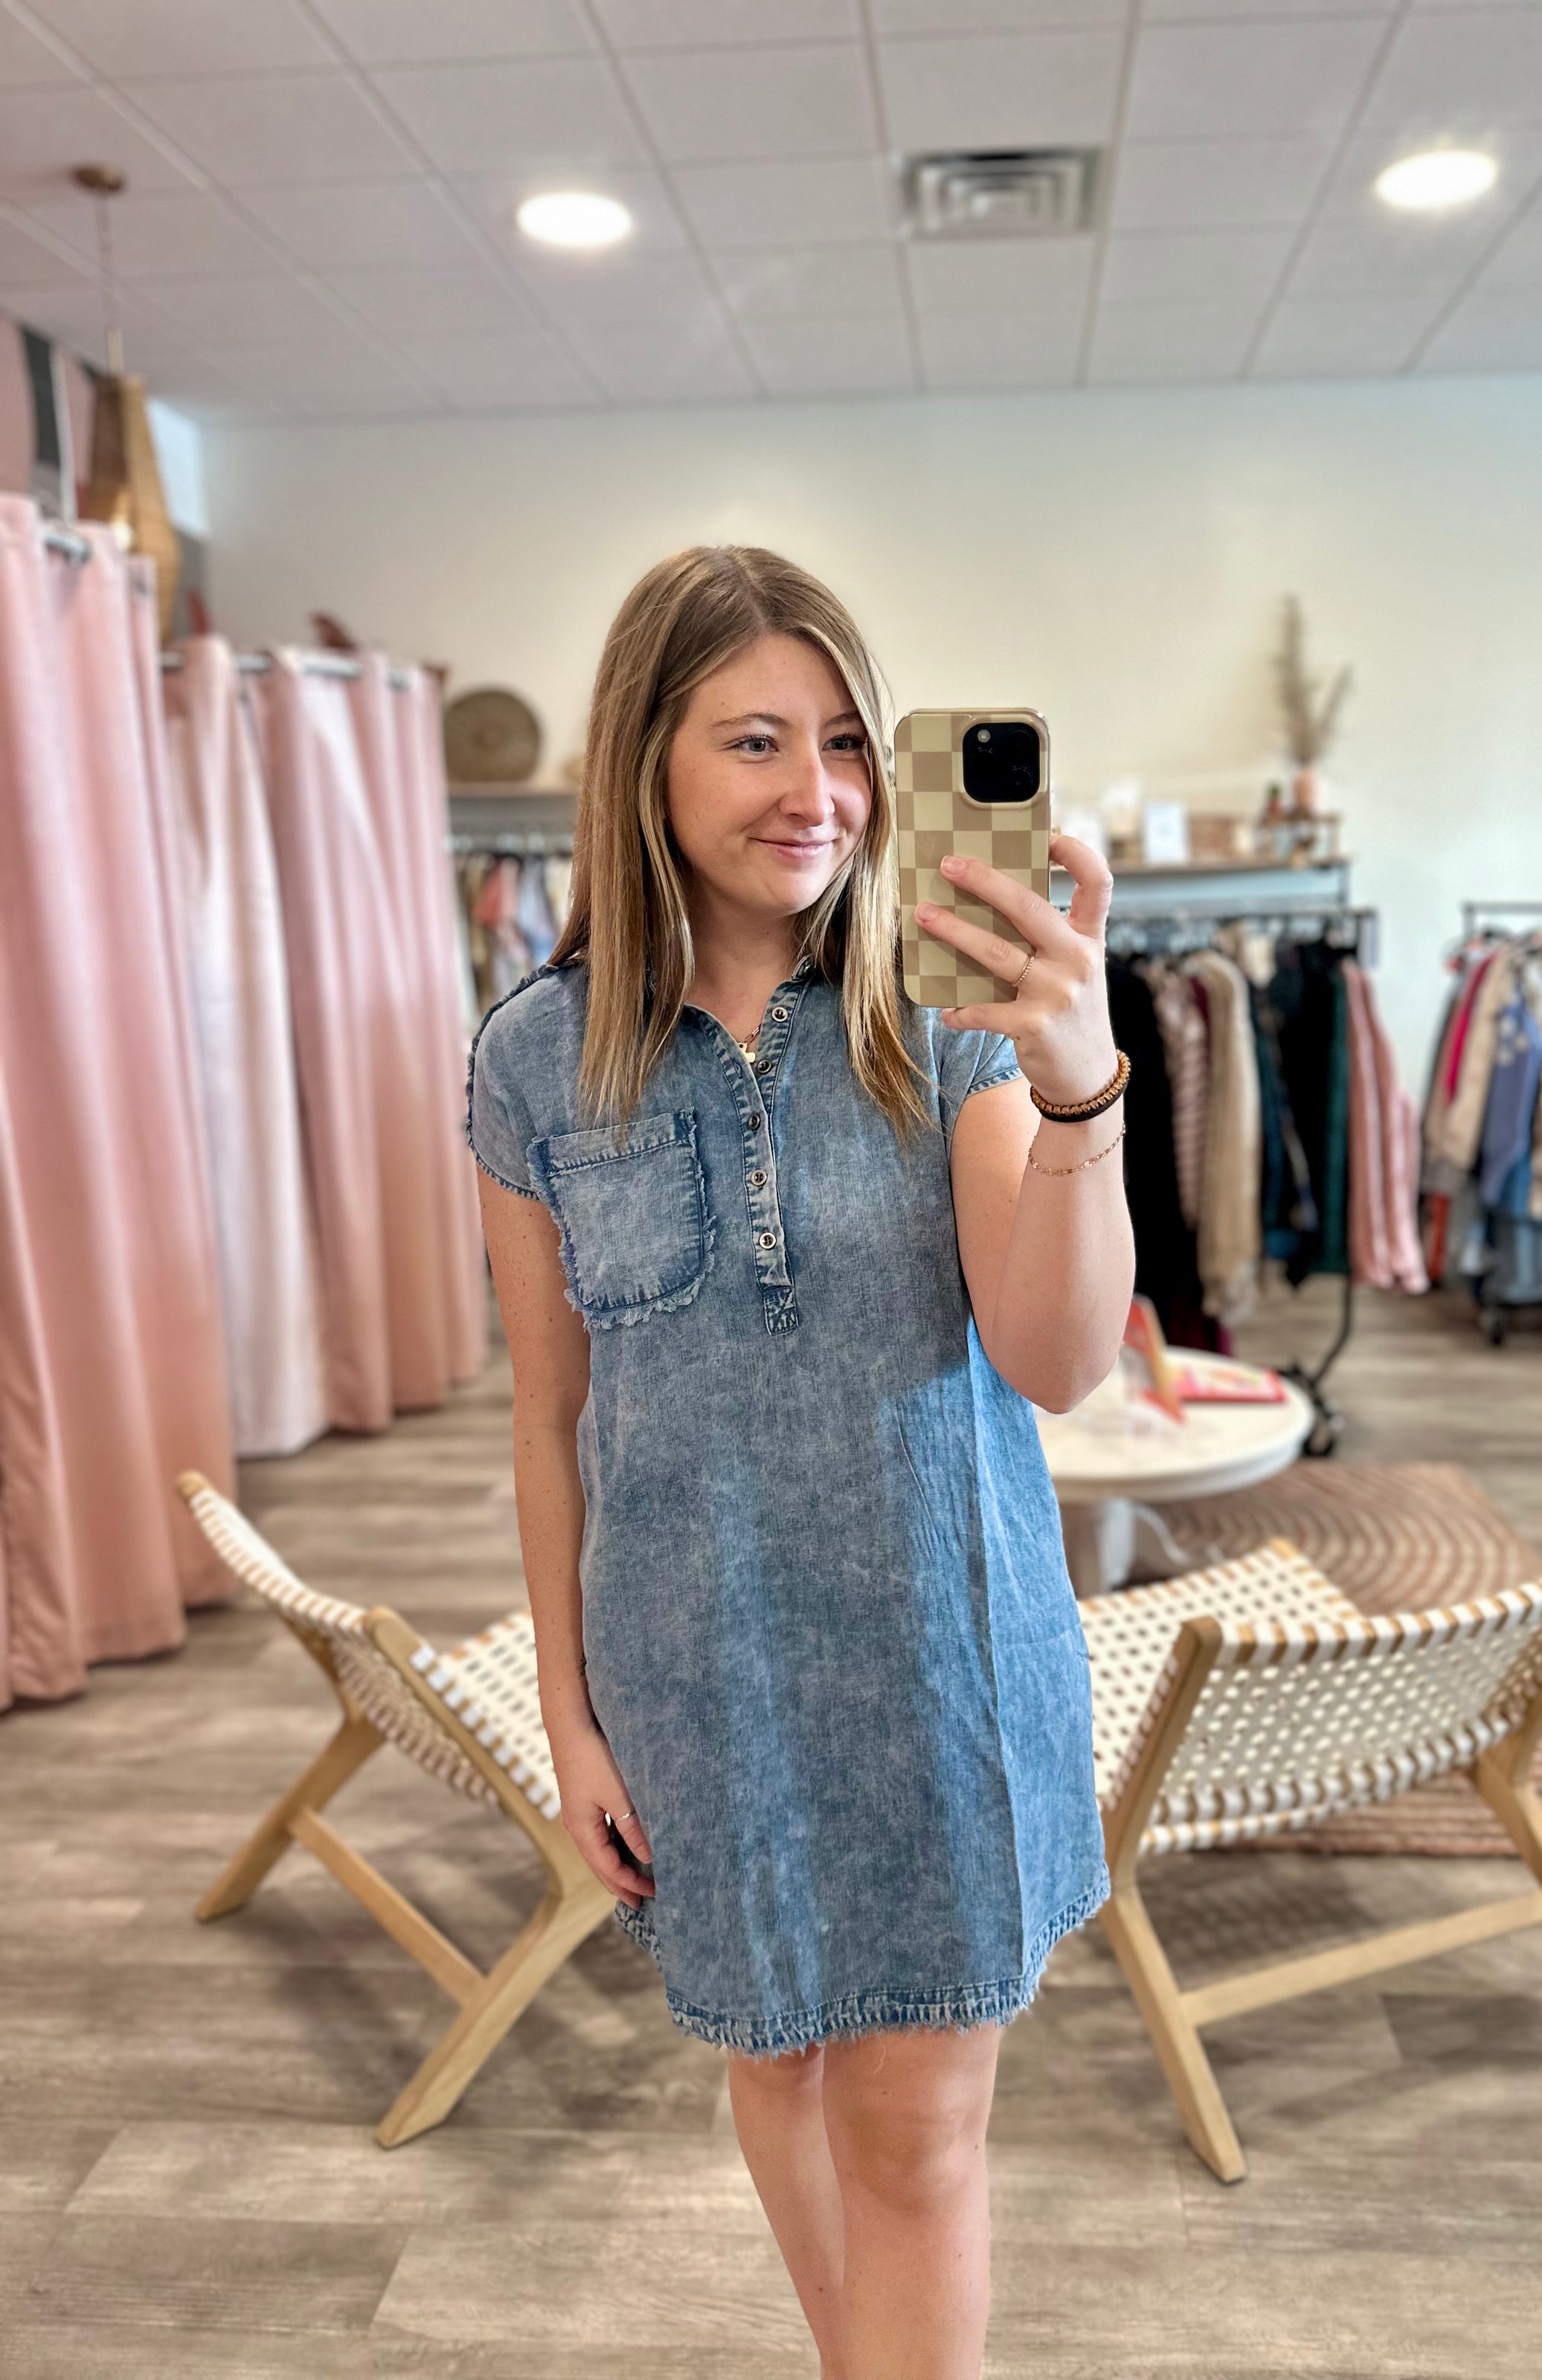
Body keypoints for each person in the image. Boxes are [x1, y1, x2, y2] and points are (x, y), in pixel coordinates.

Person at [469, 546, 1134, 2379]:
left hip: (943, 1661)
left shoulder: (944, 1014)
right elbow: (549, 1417)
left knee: (912, 2132)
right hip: (699, 1681)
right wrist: (567, 1715)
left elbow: (1059, 1358)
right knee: (776, 2066)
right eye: (756, 739)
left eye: (847, 741)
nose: (819, 793)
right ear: (647, 759)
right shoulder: (537, 1061)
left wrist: (1075, 1081)